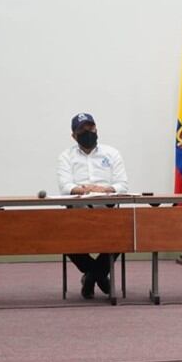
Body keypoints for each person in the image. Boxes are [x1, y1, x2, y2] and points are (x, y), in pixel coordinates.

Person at [57, 113, 128, 299]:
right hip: (77, 215)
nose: (88, 132)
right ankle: (99, 276)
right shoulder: (66, 156)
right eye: (82, 130)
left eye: (91, 128)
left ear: (96, 129)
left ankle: (90, 277)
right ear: (74, 135)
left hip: (108, 213)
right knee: (62, 238)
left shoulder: (112, 153)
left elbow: (122, 184)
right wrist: (84, 189)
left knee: (124, 234)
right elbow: (65, 186)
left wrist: (105, 189)